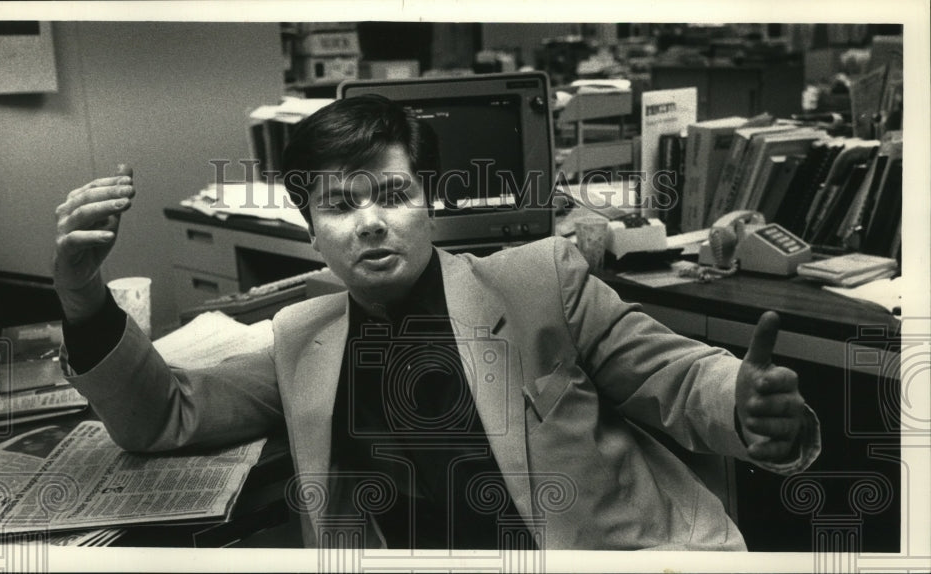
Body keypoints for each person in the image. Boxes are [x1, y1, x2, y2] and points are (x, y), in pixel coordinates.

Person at [53, 95, 820, 551]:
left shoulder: (538, 280)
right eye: (341, 206)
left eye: (392, 194)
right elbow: (164, 416)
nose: (371, 224)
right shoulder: (301, 338)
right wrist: (84, 297)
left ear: (432, 202)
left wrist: (745, 403)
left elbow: (678, 375)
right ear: (309, 230)